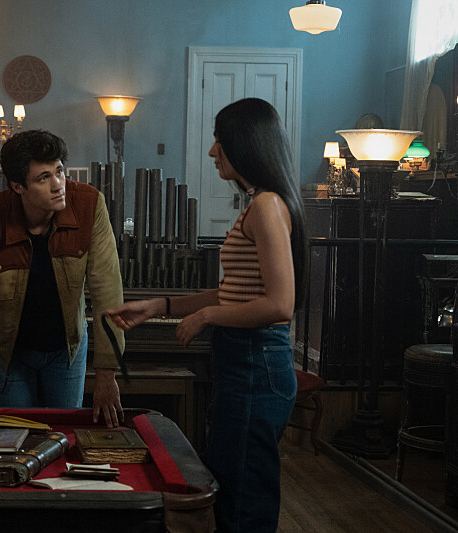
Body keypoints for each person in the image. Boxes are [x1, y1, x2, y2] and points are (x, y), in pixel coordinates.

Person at [107, 98, 308, 532]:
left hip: (256, 359)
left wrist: (210, 317)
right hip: (246, 359)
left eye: (220, 140)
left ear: (246, 143)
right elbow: (233, 292)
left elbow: (279, 304)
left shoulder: (267, 205)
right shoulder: (258, 203)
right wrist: (159, 306)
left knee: (243, 501)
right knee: (232, 488)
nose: (213, 150)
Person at [0, 130, 125, 427]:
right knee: (11, 438)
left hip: (65, 350)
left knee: (62, 436)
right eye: (44, 178)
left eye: (59, 171)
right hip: (9, 354)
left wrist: (107, 374)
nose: (58, 184)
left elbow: (108, 293)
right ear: (18, 186)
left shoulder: (89, 205)